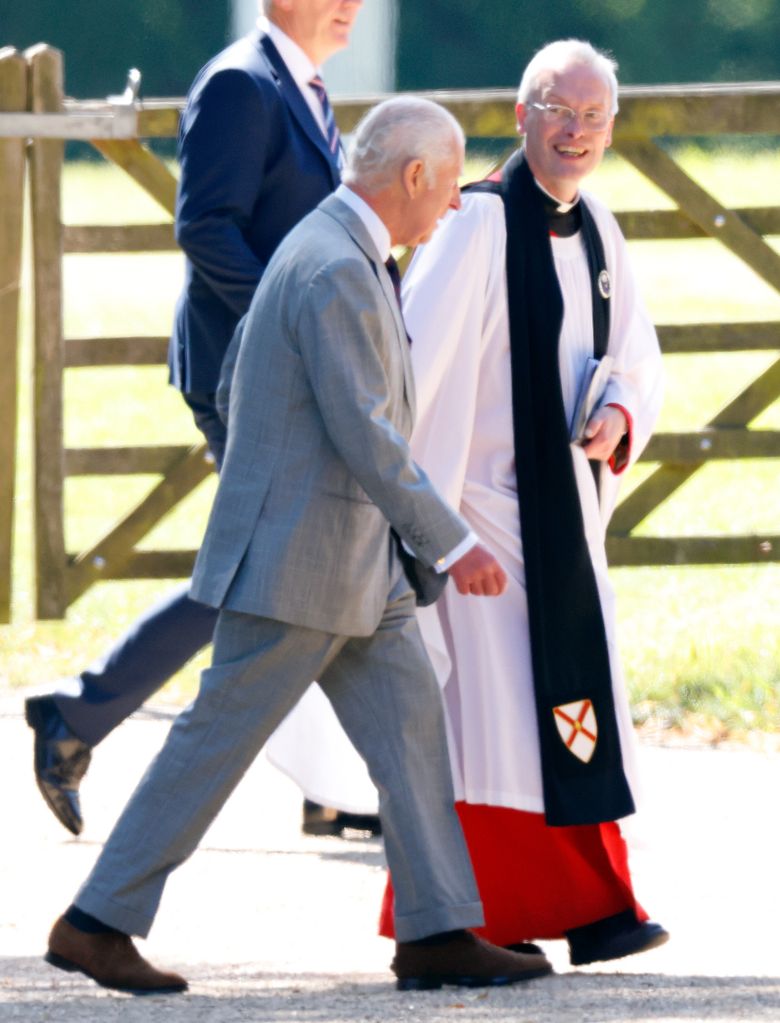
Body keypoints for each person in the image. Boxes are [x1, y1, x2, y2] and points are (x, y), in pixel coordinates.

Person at [41, 97, 556, 996]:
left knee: (412, 733)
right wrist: (450, 541)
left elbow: (246, 382)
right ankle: (96, 922)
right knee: (210, 747)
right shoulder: (335, 269)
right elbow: (368, 434)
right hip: (302, 567)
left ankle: (437, 930)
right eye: (447, 189)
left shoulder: (332, 246)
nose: (451, 209)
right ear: (414, 177)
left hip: (351, 562)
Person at [25, 0, 379, 839]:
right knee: (263, 567)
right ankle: (80, 715)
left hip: (279, 371)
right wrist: (288, 324)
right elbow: (205, 227)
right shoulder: (238, 85)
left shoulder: (300, 86)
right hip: (246, 374)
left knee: (284, 565)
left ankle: (328, 779)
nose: (352, 4)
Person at [378, 40, 669, 968]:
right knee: (494, 725)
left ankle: (593, 904)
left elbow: (634, 352)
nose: (576, 132)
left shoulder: (597, 228)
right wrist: (432, 520)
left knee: (562, 712)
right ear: (521, 115)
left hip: (559, 514)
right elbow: (413, 363)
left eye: (593, 116)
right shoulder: (475, 225)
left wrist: (621, 406)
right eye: (558, 110)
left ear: (611, 127)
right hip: (480, 514)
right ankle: (478, 916)